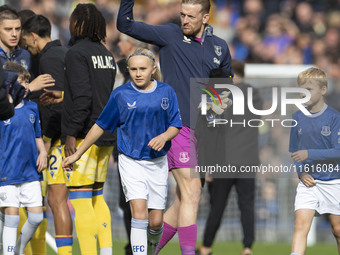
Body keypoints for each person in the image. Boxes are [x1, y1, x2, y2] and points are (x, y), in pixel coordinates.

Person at [117, 1, 233, 253]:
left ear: (205, 17)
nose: (185, 20)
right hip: (176, 127)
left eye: (191, 16)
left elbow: (225, 91)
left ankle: (149, 251)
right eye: (182, 15)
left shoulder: (219, 47)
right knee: (192, 191)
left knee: (183, 200)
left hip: (205, 131)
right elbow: (124, 25)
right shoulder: (170, 34)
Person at [62, 47, 182, 255]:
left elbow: (175, 125)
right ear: (128, 69)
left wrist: (163, 137)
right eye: (133, 69)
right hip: (130, 161)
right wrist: (78, 153)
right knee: (138, 213)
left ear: (153, 69)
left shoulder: (166, 92)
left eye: (142, 69)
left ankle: (152, 248)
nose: (138, 73)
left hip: (157, 163)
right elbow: (100, 125)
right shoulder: (121, 94)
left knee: (155, 222)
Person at [62, 4, 116, 254]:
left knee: (80, 200)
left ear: (78, 24)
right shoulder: (105, 54)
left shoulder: (75, 53)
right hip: (105, 135)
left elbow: (82, 98)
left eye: (72, 21)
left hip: (85, 135)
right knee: (97, 198)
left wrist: (71, 133)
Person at [196, 60, 261, 255]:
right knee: (247, 205)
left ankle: (206, 247)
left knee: (217, 205)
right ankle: (247, 248)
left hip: (222, 160)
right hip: (248, 159)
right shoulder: (254, 94)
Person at [22, 14, 72, 254]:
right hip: (70, 134)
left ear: (32, 36)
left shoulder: (48, 59)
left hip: (56, 139)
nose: (25, 46)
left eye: (25, 40)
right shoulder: (65, 53)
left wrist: (47, 140)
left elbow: (54, 103)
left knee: (50, 200)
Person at [289, 67, 340, 255]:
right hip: (309, 182)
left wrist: (310, 153)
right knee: (300, 225)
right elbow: (294, 151)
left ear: (323, 90)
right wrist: (301, 172)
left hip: (334, 181)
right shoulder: (297, 118)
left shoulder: (335, 118)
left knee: (338, 230)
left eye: (309, 89)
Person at [0, 61, 46, 255]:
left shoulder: (32, 108)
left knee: (36, 218)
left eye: (27, 81)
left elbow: (37, 135)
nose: (26, 86)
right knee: (12, 218)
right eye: (21, 81)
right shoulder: (2, 111)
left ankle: (17, 249)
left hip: (30, 172)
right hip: (7, 173)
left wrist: (43, 152)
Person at [116, 33, 148, 255]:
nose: (118, 44)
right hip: (124, 148)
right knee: (125, 201)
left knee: (142, 204)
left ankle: (143, 247)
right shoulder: (122, 72)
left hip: (144, 150)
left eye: (122, 41)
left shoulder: (150, 81)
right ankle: (134, 247)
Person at [0, 5, 55, 99]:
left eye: (17, 29)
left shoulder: (26, 55)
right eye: (8, 29)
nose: (14, 34)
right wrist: (30, 87)